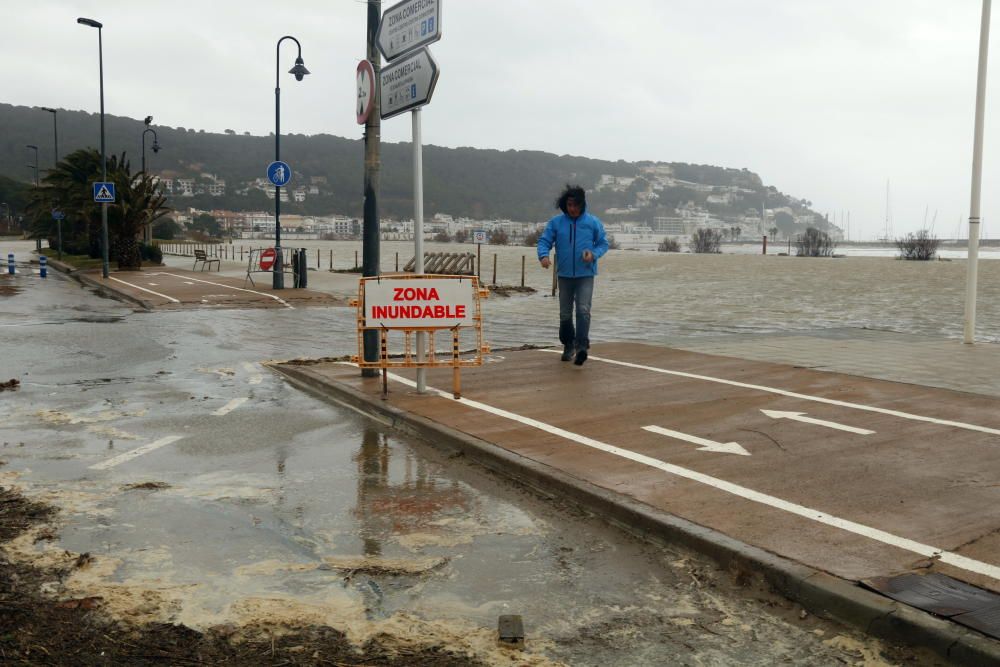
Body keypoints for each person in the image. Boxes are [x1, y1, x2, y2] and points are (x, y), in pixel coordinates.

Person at [537, 185, 609, 366]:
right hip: (564, 275)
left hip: (586, 274)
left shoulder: (592, 222)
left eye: (576, 205)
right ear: (565, 205)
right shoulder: (556, 223)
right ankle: (568, 345)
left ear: (582, 204)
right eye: (569, 205)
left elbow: (603, 243)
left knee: (583, 310)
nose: (573, 208)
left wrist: (593, 254)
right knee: (565, 314)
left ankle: (582, 347)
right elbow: (544, 241)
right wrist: (543, 256)